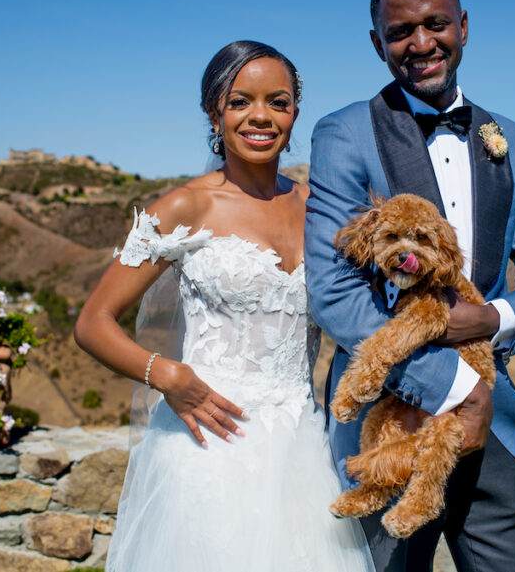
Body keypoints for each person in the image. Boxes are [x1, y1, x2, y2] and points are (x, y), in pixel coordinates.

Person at [305, 0, 515, 572]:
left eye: (436, 24)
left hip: (496, 425)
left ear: (464, 27)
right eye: (401, 32)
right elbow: (334, 290)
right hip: (388, 420)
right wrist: (456, 389)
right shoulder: (343, 134)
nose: (421, 44)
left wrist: (487, 319)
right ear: (378, 43)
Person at [75, 40, 375, 572]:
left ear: (294, 113)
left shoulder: (320, 209)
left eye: (277, 102)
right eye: (241, 102)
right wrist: (167, 375)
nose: (260, 116)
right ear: (215, 111)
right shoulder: (184, 207)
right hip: (207, 448)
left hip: (302, 450)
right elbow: (93, 323)